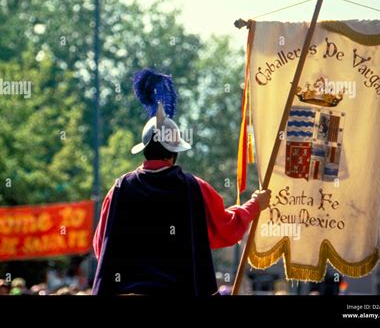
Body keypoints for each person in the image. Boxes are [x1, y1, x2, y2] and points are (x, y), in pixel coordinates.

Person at [92, 69, 271, 296]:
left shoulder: (119, 188)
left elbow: (100, 247)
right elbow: (226, 230)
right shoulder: (193, 187)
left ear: (144, 151)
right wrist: (255, 205)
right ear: (174, 154)